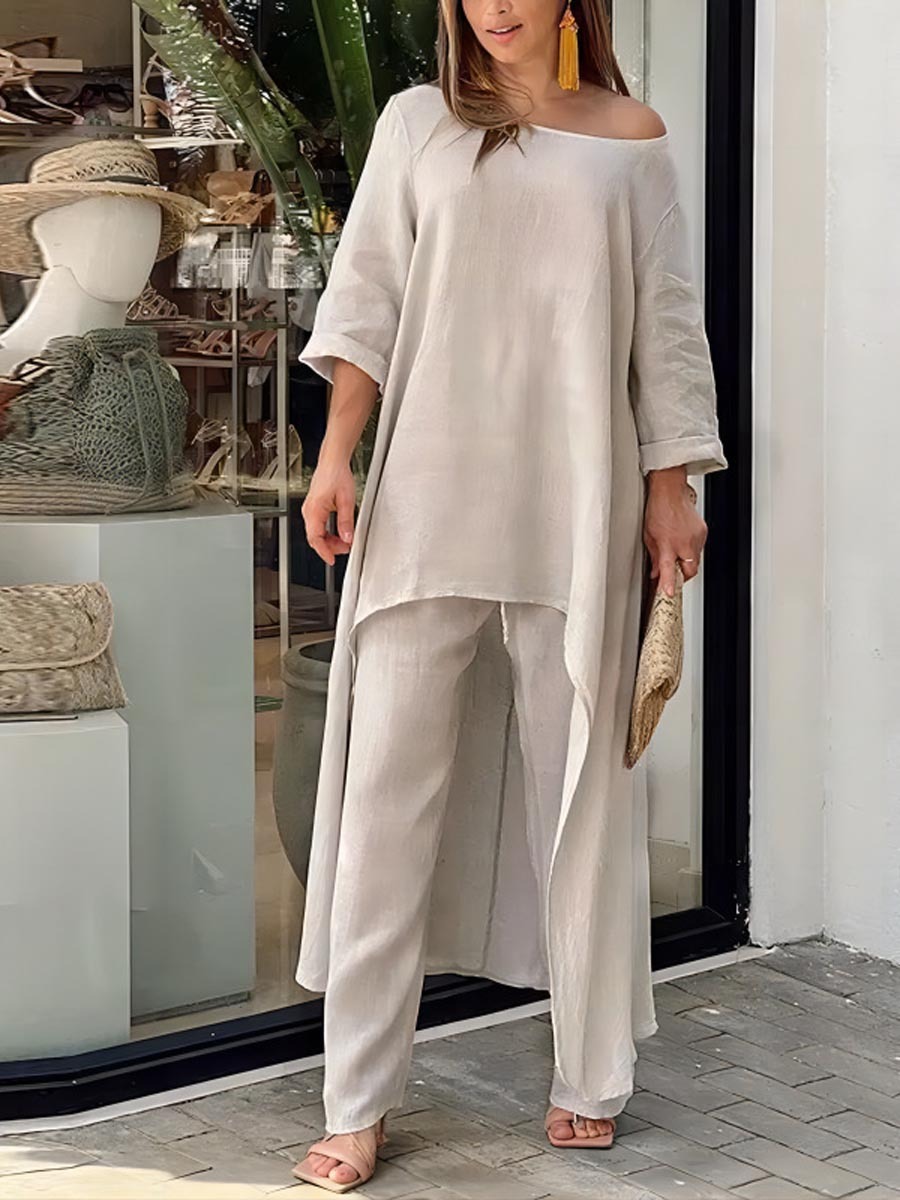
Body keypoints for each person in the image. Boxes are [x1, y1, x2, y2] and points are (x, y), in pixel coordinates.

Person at [291, 0, 728, 1190]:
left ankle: (589, 1074)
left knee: (577, 787)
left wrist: (672, 488)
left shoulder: (631, 138)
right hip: (426, 493)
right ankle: (357, 1100)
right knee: (385, 799)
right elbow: (368, 299)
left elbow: (667, 331)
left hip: (574, 499)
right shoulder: (417, 123)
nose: (496, 8)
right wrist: (336, 457)